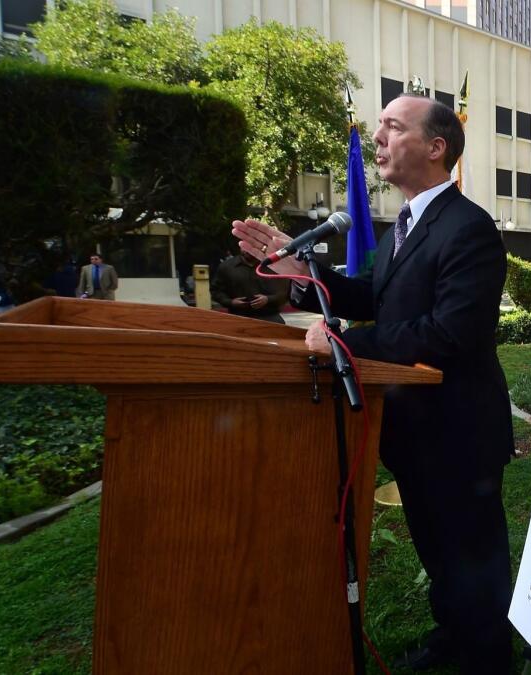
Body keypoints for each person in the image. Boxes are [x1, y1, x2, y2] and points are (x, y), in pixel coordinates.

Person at [232, 94, 514, 671]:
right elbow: (372, 296)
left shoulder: (470, 228)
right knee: (439, 552)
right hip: (413, 430)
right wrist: (300, 275)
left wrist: (346, 342)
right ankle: (454, 636)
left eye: (392, 126)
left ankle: (487, 656)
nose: (377, 137)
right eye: (378, 126)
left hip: (459, 434)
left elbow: (448, 333)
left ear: (437, 147)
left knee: (472, 554)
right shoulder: (403, 226)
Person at [210, 249, 289, 323]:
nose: (247, 250)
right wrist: (231, 302)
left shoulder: (273, 266)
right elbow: (216, 291)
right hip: (238, 318)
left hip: (270, 317)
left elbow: (286, 291)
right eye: (244, 246)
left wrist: (268, 299)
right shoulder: (226, 267)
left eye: (250, 246)